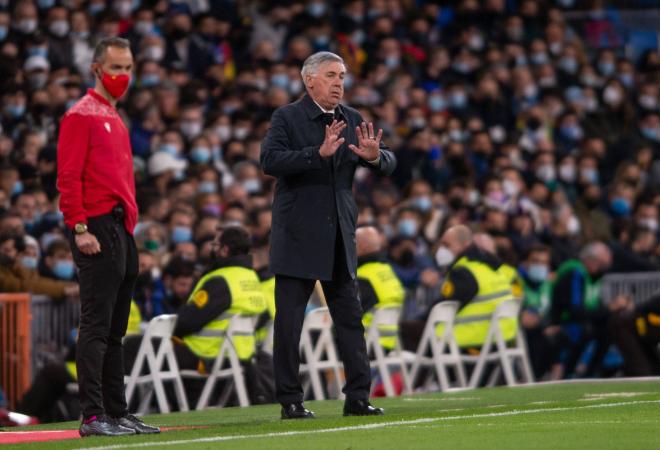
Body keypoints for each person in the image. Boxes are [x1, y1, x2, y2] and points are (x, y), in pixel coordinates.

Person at [260, 51, 396, 419]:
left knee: (351, 319)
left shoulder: (352, 119)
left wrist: (373, 157)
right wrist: (315, 154)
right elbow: (270, 161)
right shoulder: (287, 117)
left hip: (339, 235)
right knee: (290, 323)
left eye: (342, 76)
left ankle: (358, 397)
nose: (339, 83)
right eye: (332, 75)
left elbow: (389, 160)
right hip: (299, 235)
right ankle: (290, 400)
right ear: (310, 80)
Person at [56, 37, 158, 437]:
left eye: (129, 68)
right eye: (116, 67)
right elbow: (67, 176)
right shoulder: (81, 115)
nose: (123, 76)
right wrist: (79, 227)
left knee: (116, 329)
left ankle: (117, 412)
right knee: (97, 326)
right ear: (97, 68)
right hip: (96, 225)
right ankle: (93, 415)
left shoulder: (113, 116)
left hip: (120, 227)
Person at [172, 225, 269, 405]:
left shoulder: (220, 280)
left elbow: (186, 322)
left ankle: (128, 409)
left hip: (206, 353)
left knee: (140, 349)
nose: (211, 249)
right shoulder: (250, 276)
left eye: (215, 245)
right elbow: (264, 314)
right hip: (243, 353)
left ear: (224, 250)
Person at [431, 225, 517, 351]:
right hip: (503, 340)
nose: (441, 250)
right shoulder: (491, 267)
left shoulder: (463, 272)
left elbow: (441, 309)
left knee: (407, 332)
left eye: (447, 245)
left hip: (470, 342)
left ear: (464, 245)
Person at [550, 242, 612, 377]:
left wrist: (608, 310)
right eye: (601, 264)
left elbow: (592, 307)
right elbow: (575, 310)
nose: (603, 269)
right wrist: (608, 309)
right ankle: (569, 372)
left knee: (609, 327)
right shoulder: (574, 273)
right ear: (590, 260)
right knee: (585, 330)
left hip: (577, 320)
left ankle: (592, 373)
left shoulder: (590, 278)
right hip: (561, 322)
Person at [356, 225, 405, 351]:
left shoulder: (363, 276)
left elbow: (349, 314)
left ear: (362, 247)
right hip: (389, 342)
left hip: (365, 344)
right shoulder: (387, 270)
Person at [608, 293, 660, 376]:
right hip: (627, 327)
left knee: (654, 371)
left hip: (647, 336)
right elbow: (647, 307)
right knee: (643, 372)